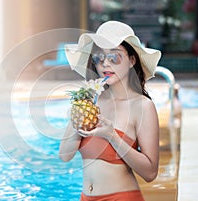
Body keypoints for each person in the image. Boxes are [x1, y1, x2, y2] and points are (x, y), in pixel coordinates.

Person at [59, 21, 161, 201]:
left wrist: (112, 136)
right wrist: (78, 115)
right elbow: (65, 156)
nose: (105, 63)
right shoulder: (91, 102)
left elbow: (150, 173)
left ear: (131, 60)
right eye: (100, 58)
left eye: (114, 57)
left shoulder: (142, 106)